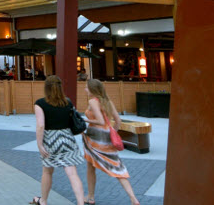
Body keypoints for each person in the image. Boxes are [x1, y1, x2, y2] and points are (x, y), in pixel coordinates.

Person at [82, 79, 140, 205]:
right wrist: (112, 133)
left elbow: (100, 121)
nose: (85, 89)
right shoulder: (108, 102)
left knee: (90, 166)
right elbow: (118, 121)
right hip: (106, 137)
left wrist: (84, 121)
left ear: (93, 89)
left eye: (86, 87)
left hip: (94, 138)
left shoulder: (92, 101)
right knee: (117, 167)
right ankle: (133, 198)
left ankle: (91, 197)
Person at [31, 75, 85, 205]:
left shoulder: (40, 104)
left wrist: (39, 145)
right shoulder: (67, 102)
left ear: (46, 88)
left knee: (47, 171)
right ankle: (80, 203)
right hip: (67, 138)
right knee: (72, 173)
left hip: (51, 139)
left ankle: (43, 201)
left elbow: (40, 126)